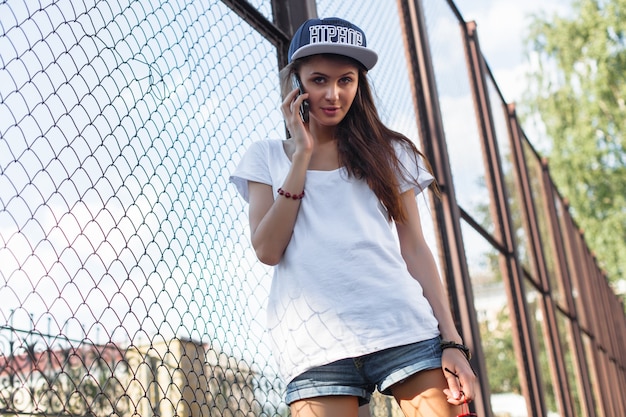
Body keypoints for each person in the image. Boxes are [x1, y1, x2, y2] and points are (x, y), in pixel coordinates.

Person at [230, 17, 477, 417]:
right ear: (296, 84)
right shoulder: (266, 157)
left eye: (346, 80)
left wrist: (452, 342)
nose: (333, 93)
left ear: (359, 83)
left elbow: (415, 249)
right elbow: (267, 249)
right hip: (314, 345)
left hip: (403, 327)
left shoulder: (392, 152)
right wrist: (302, 156)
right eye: (319, 80)